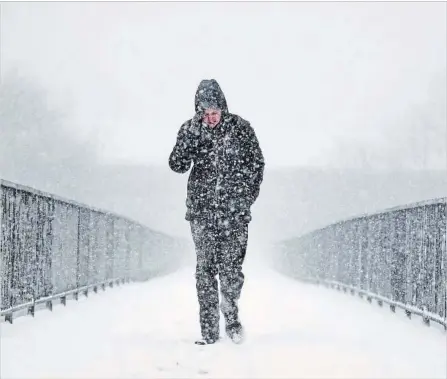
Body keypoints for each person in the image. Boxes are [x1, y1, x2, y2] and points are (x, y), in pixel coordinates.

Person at [168, 79, 265, 345]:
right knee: (205, 270)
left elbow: (257, 165)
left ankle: (231, 319)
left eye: (214, 113)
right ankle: (209, 331)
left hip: (234, 213)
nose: (210, 118)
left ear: (223, 109)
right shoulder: (190, 130)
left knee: (231, 270)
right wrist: (188, 140)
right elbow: (177, 165)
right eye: (205, 113)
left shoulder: (241, 129)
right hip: (201, 212)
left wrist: (245, 198)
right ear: (198, 112)